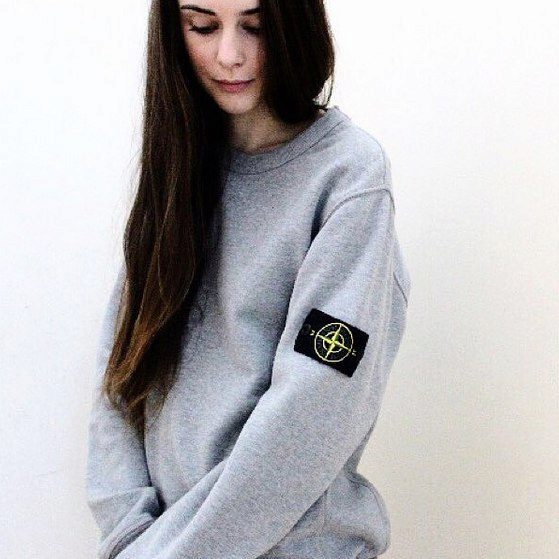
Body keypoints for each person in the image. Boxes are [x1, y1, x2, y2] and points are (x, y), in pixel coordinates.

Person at [86, 1, 412, 558]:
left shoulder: (349, 179)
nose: (229, 55)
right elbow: (122, 372)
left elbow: (311, 415)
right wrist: (128, 537)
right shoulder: (180, 166)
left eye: (255, 26)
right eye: (203, 26)